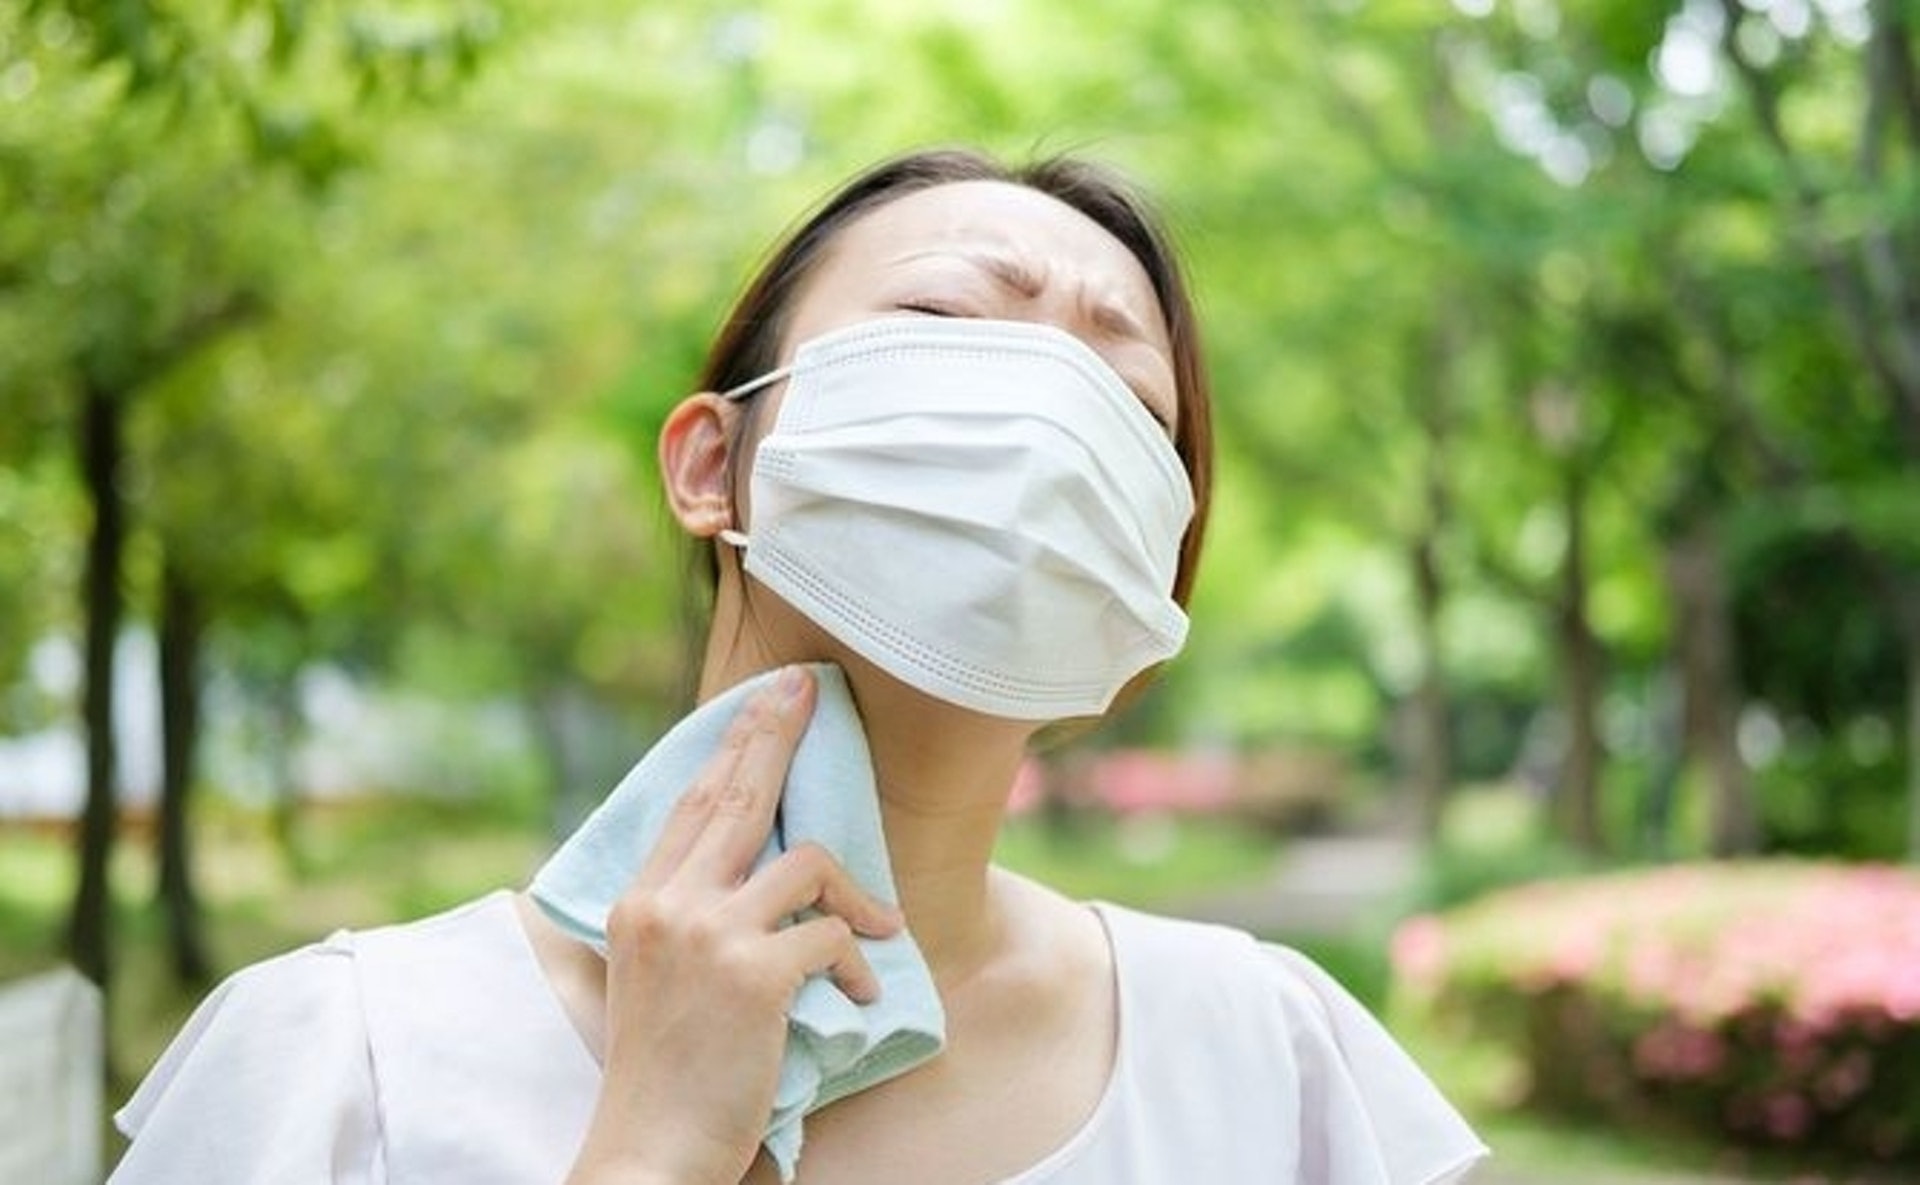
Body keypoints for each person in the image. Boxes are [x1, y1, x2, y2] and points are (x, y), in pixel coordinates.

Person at [108, 147, 1489, 1185]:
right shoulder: (339, 1057)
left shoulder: (1269, 1060)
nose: (1041, 423)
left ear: (1142, 587)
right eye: (952, 322)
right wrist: (651, 1149)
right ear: (716, 463)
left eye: (1125, 409)